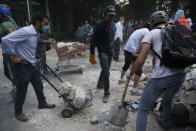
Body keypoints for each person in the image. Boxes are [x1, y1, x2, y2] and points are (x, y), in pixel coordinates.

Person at [133, 11, 185, 131]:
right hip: (180, 76)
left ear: (152, 22)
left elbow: (140, 61)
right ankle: (166, 123)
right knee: (167, 100)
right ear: (166, 21)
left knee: (143, 108)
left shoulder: (151, 33)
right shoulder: (176, 31)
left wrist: (133, 69)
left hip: (162, 77)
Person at [1, 12, 55, 122]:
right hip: (22, 66)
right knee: (22, 89)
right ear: (38, 22)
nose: (46, 26)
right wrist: (13, 54)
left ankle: (42, 103)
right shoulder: (26, 31)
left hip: (31, 64)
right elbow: (5, 40)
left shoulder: (35, 33)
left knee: (38, 84)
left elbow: (29, 45)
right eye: (45, 23)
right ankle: (18, 112)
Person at [89, 5, 116, 103]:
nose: (111, 18)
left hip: (110, 52)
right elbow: (93, 40)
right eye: (110, 16)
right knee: (106, 72)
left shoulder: (113, 25)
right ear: (105, 15)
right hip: (103, 52)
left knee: (105, 70)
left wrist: (113, 50)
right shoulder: (99, 25)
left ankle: (100, 84)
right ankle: (106, 93)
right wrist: (92, 54)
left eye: (113, 16)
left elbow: (111, 38)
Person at [119, 23, 150, 95]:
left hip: (127, 48)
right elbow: (143, 44)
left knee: (127, 64)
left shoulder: (140, 30)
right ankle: (134, 90)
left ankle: (121, 79)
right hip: (133, 50)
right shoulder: (147, 32)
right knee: (139, 71)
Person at [0, 5, 17, 98]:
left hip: (8, 53)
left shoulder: (5, 24)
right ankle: (18, 86)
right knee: (12, 71)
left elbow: (12, 35)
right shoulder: (12, 22)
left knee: (9, 72)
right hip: (12, 52)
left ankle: (18, 87)